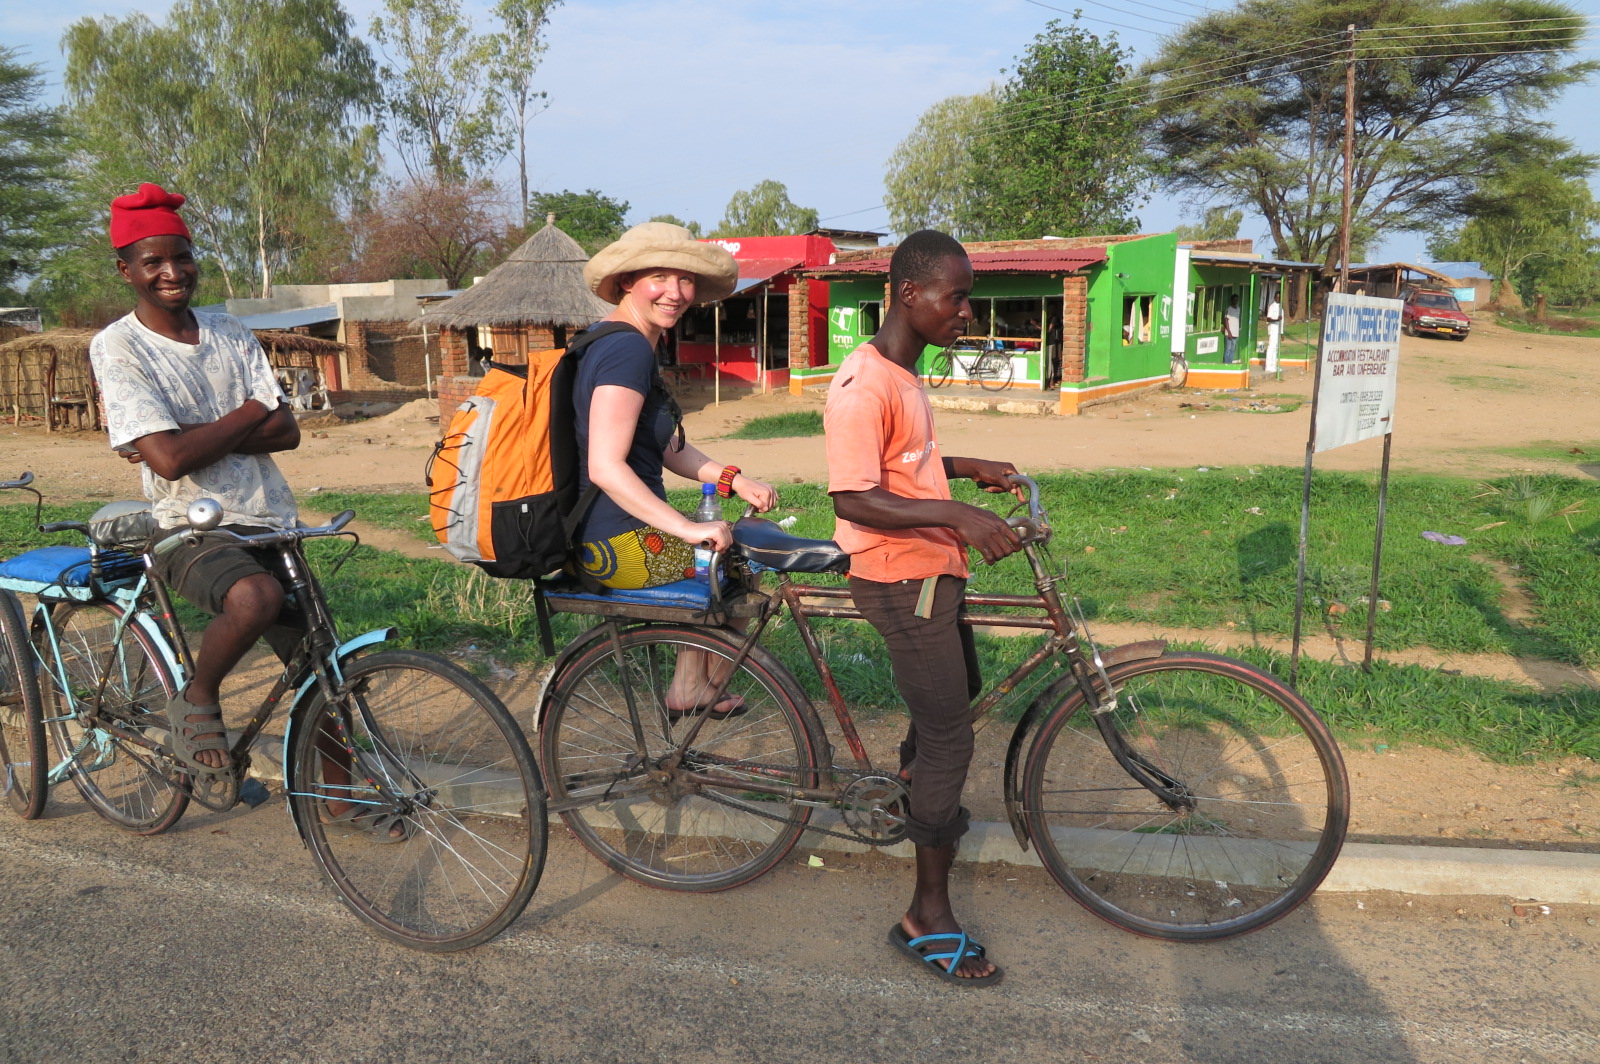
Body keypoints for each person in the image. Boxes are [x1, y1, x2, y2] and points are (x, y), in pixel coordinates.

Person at [823, 229, 1022, 987]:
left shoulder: (904, 373)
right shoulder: (864, 383)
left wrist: (969, 471)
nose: (966, 312)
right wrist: (959, 516)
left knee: (951, 709)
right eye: (958, 296)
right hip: (900, 581)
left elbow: (903, 467)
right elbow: (853, 495)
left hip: (931, 571)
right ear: (911, 295)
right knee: (949, 741)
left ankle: (922, 804)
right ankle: (925, 916)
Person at [576, 222, 778, 715]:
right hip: (616, 546)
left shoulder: (619, 340)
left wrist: (735, 480)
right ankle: (690, 686)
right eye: (660, 277)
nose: (676, 292)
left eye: (686, 280)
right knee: (745, 558)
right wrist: (687, 529)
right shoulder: (625, 349)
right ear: (627, 281)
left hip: (609, 537)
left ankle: (693, 683)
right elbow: (605, 466)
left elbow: (664, 447)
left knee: (730, 552)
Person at [1264, 287, 1283, 375]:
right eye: (1277, 297)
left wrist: (1282, 333)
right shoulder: (1272, 306)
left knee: (1276, 348)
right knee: (1271, 347)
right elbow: (1268, 318)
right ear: (1274, 297)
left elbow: (1282, 321)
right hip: (1273, 329)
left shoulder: (1281, 307)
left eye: (1280, 297)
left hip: (1278, 330)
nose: (1278, 299)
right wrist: (1276, 320)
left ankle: (1274, 365)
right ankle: (1268, 366)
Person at [1223, 294, 1241, 364]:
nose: (1236, 301)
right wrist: (1229, 332)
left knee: (1233, 349)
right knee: (1228, 349)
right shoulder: (1229, 309)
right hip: (1229, 333)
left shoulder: (1238, 309)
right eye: (1235, 299)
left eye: (1237, 300)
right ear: (1232, 300)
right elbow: (1226, 320)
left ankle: (1230, 363)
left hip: (1235, 333)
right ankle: (1226, 363)